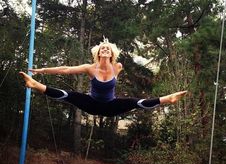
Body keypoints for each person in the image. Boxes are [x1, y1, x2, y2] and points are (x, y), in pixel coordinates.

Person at [19, 38, 187, 117]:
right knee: (68, 95)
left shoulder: (117, 67)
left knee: (137, 102)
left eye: (107, 48)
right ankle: (34, 84)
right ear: (98, 53)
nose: (105, 50)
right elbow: (66, 69)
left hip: (111, 106)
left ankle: (169, 98)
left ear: (112, 53)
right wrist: (43, 70)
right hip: (91, 103)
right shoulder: (90, 68)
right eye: (102, 48)